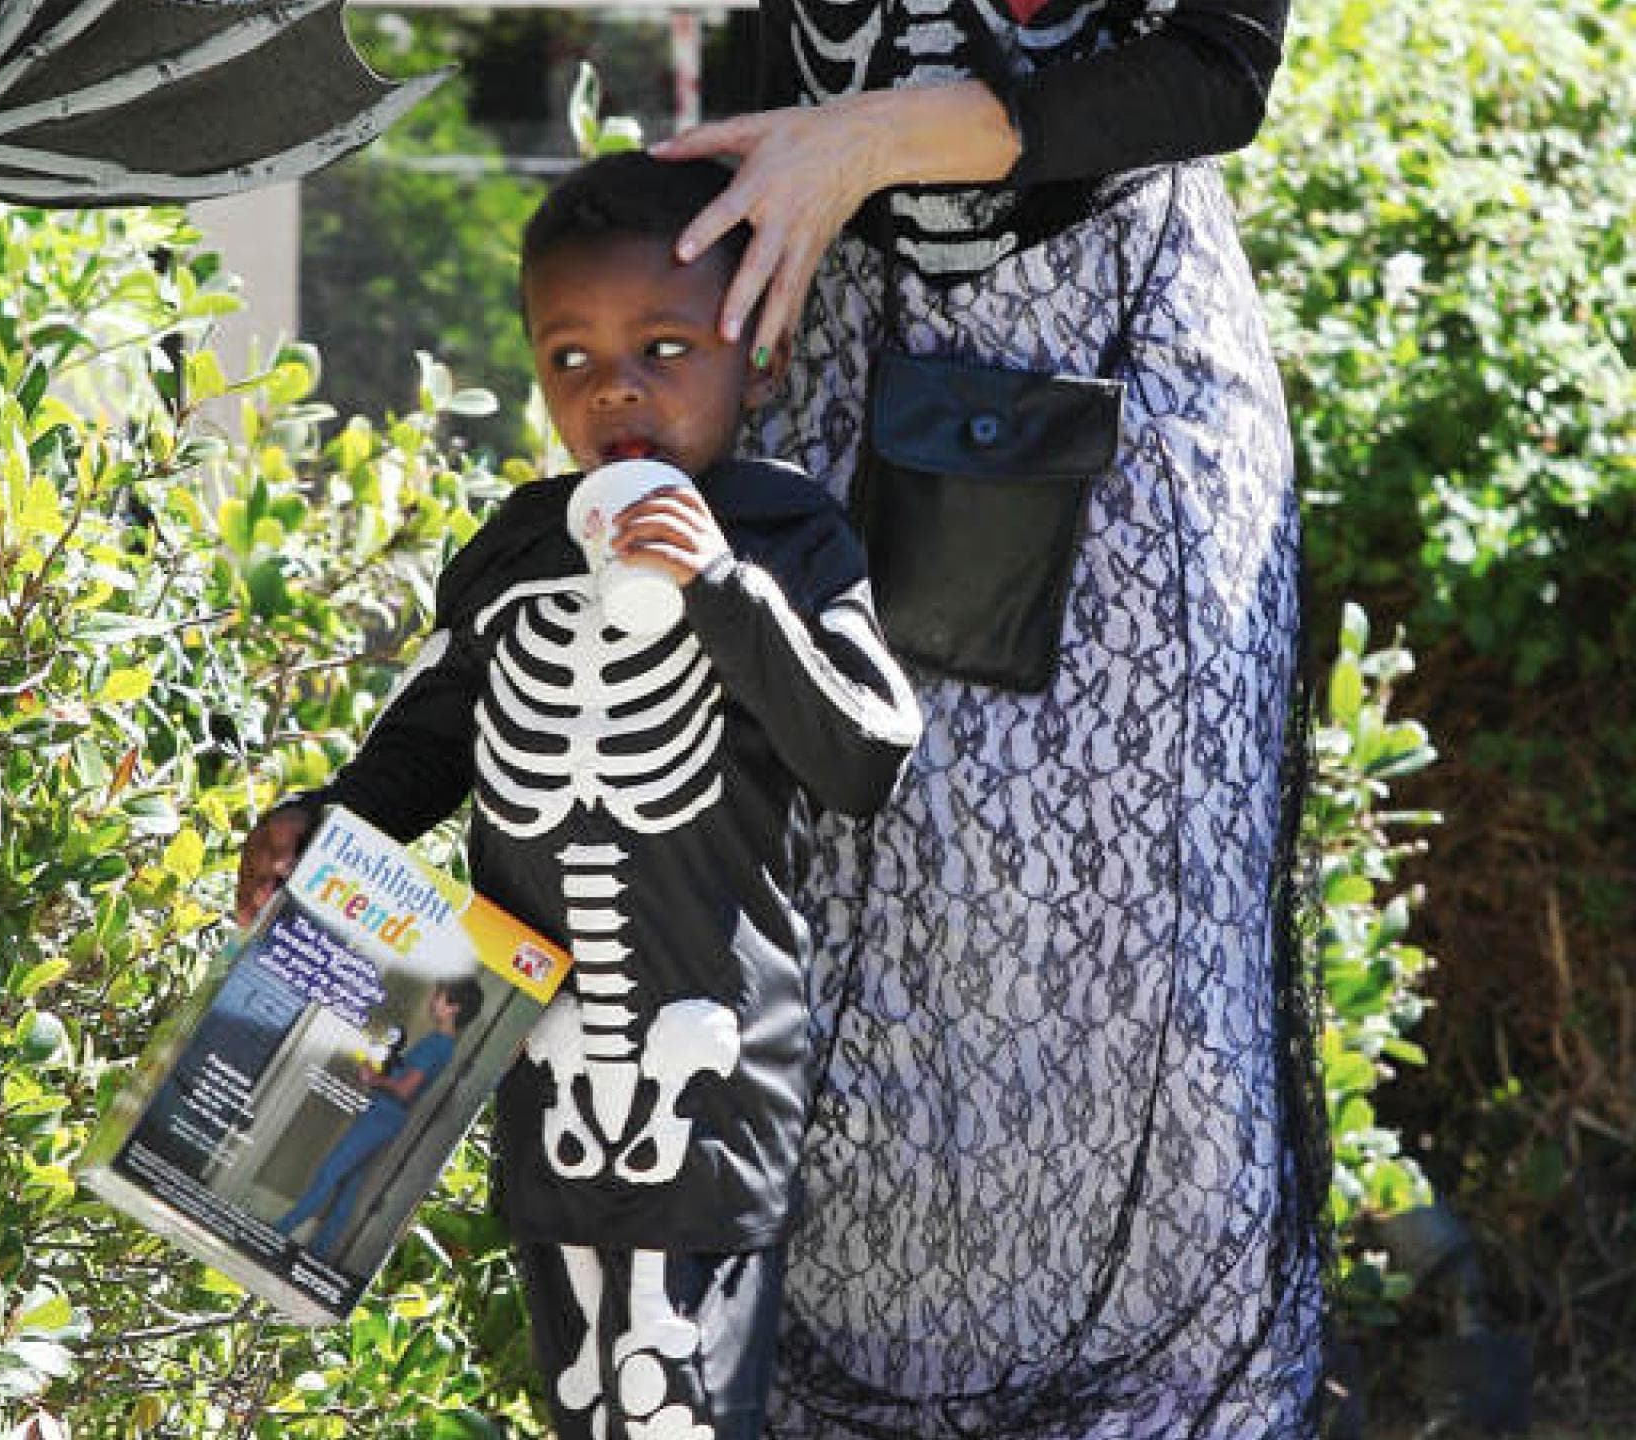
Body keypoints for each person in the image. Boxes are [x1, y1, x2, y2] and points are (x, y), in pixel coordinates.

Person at [649, 1, 1327, 1436]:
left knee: (1140, 975)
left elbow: (1219, 64)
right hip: (830, 371)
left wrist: (871, 141)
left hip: (1130, 399)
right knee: (847, 940)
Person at [235, 151, 922, 1440]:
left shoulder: (785, 535)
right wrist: (322, 824)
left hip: (710, 1080)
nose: (615, 387)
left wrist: (726, 592)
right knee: (579, 1400)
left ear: (758, 359)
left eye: (667, 347)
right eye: (571, 359)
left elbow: (867, 753)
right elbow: (427, 741)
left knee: (679, 1407)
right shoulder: (515, 549)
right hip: (533, 1065)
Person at [276, 979, 484, 1261]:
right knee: (349, 1187)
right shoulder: (444, 1045)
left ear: (453, 1008)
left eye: (440, 996)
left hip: (383, 1116)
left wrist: (374, 1078)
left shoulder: (437, 1044)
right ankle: (319, 1254)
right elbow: (404, 1079)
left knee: (330, 1173)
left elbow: (405, 1089)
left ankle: (277, 1234)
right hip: (389, 1118)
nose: (433, 999)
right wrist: (380, 1070)